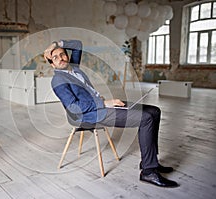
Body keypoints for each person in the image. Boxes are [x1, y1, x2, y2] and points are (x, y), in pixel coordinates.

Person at [44, 39, 179, 188]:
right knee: (146, 118)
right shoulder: (58, 80)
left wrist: (55, 43)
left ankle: (150, 160)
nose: (61, 58)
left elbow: (77, 45)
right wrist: (104, 103)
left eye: (62, 54)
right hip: (90, 114)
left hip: (101, 104)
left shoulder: (73, 67)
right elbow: (74, 108)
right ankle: (148, 171)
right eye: (55, 58)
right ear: (52, 64)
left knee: (154, 111)